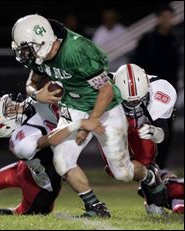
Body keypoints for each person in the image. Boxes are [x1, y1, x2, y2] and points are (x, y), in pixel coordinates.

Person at [11, 14, 168, 216]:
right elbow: (30, 84)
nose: (25, 54)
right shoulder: (40, 54)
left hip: (105, 107)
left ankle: (150, 176)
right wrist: (36, 94)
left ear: (42, 42)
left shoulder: (76, 51)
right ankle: (95, 207)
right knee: (62, 160)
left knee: (123, 173)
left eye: (26, 49)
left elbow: (106, 90)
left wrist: (92, 121)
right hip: (74, 105)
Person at [112, 63, 179, 214]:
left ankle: (153, 202)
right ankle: (153, 177)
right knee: (117, 169)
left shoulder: (161, 90)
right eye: (128, 101)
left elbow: (164, 134)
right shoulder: (102, 89)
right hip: (113, 126)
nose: (133, 104)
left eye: (138, 100)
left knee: (146, 159)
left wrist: (154, 131)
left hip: (141, 126)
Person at [131, 4, 180, 168]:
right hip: (150, 91)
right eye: (164, 16)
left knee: (167, 129)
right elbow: (137, 64)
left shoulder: (175, 39)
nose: (167, 20)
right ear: (158, 18)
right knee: (145, 126)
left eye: (169, 17)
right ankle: (145, 163)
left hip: (169, 92)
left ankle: (161, 166)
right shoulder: (147, 39)